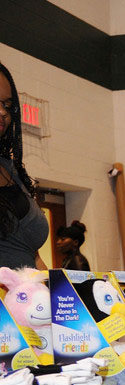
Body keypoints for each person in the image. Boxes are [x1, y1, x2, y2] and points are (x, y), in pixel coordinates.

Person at [0, 62, 47, 270]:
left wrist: (58, 295)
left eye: (7, 105)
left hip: (27, 299)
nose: (2, 112)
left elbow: (34, 257)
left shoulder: (10, 170)